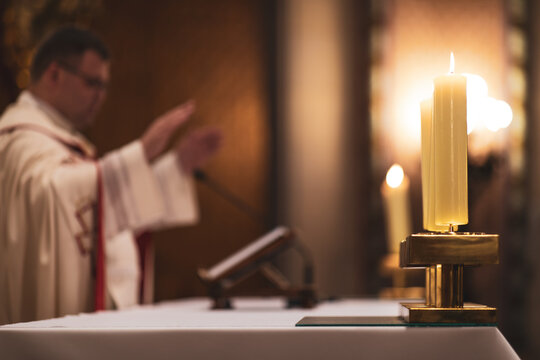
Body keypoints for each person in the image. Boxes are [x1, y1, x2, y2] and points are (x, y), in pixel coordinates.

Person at [0, 26, 222, 324]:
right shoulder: (21, 139)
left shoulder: (64, 140)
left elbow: (105, 203)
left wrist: (176, 166)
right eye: (93, 83)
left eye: (105, 87)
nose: (101, 97)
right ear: (54, 74)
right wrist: (139, 154)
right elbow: (51, 195)